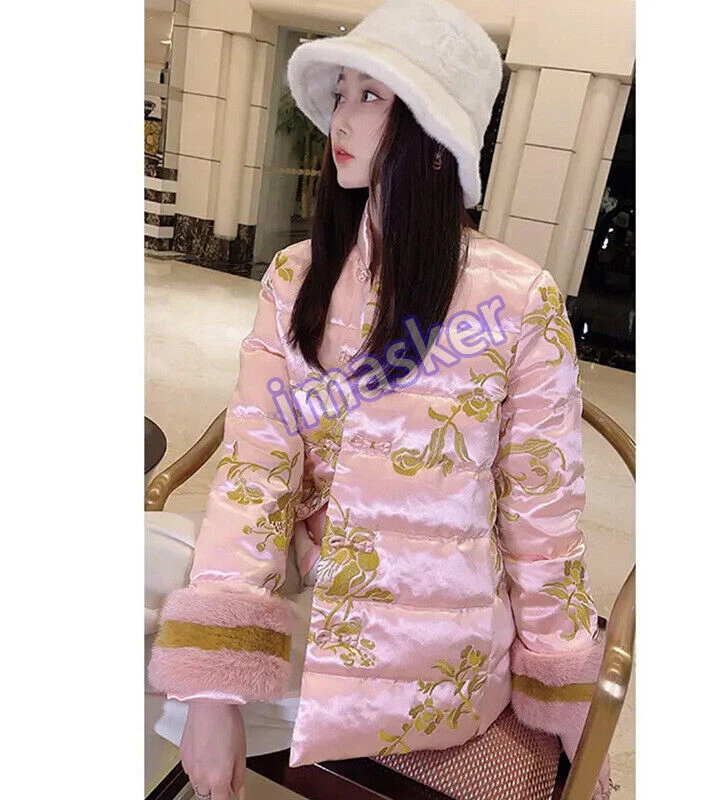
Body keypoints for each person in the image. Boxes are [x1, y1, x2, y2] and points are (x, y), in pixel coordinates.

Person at [147, 2, 613, 799]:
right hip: (302, 586)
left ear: (436, 136)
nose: (342, 118)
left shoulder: (517, 298)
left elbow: (542, 513)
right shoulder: (297, 275)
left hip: (426, 647)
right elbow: (256, 466)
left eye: (373, 96)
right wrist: (214, 684)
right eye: (342, 92)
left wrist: (566, 692)